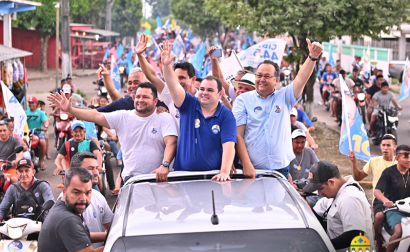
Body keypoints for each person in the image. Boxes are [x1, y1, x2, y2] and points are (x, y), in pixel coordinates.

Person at [50, 82, 178, 182]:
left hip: (158, 178)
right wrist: (70, 109)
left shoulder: (164, 117)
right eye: (138, 96)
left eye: (145, 97)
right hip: (131, 180)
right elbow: (95, 115)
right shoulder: (123, 116)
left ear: (155, 101)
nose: (140, 100)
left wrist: (165, 165)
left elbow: (171, 142)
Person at [233, 39, 323, 179]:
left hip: (279, 169)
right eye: (259, 75)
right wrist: (246, 163)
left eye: (267, 76)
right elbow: (238, 135)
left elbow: (301, 78)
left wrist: (312, 57)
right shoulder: (242, 100)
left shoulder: (285, 97)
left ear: (276, 80)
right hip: (251, 169)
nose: (262, 79)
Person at [160, 41, 236, 181]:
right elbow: (173, 86)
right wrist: (166, 66)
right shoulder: (189, 103)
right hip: (183, 176)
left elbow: (229, 146)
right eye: (201, 89)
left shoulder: (226, 115)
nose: (204, 93)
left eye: (210, 90)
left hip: (214, 178)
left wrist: (224, 171)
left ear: (220, 95)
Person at [305, 161, 375, 252]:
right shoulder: (335, 192)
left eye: (321, 188)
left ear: (332, 182)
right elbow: (314, 216)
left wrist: (322, 247)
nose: (319, 193)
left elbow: (354, 235)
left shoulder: (350, 197)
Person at [38, 168, 104, 252]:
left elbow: (81, 235)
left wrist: (108, 235)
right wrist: (116, 243)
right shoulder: (67, 220)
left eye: (88, 193)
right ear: (64, 190)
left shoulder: (65, 206)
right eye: (77, 192)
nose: (83, 198)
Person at [348, 134, 398, 252]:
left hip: (397, 198)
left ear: (394, 147)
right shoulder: (374, 161)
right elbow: (358, 177)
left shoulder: (400, 162)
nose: (385, 148)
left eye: (388, 145)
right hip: (380, 199)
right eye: (383, 145)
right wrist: (354, 162)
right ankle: (378, 242)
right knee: (378, 217)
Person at [374, 145, 410, 252]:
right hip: (393, 208)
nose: (409, 159)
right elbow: (377, 191)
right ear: (396, 158)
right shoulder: (389, 172)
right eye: (405, 156)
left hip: (408, 207)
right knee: (398, 231)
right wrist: (385, 201)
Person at [70, 152, 114, 248]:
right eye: (90, 169)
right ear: (75, 172)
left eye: (97, 168)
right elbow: (77, 236)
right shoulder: (69, 201)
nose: (96, 173)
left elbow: (112, 226)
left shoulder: (97, 195)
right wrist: (112, 236)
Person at [25, 96, 48, 170]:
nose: (31, 104)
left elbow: (45, 121)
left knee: (42, 142)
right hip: (28, 133)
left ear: (37, 104)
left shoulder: (41, 113)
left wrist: (45, 126)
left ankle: (41, 161)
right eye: (30, 103)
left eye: (33, 103)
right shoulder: (25, 112)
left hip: (38, 132)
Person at [0, 120, 23, 184]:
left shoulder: (15, 141)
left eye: (4, 130)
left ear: (9, 130)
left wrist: (16, 160)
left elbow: (19, 154)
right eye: (0, 131)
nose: (2, 133)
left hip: (10, 168)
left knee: (14, 180)